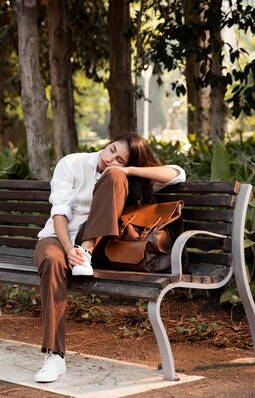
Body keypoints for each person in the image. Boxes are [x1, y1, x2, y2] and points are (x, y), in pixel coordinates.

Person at [33, 132, 186, 383]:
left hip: (100, 246)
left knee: (113, 177)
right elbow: (59, 213)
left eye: (120, 159)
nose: (110, 158)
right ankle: (55, 356)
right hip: (58, 237)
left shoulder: (121, 174)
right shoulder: (71, 163)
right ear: (107, 143)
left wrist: (128, 171)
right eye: (111, 149)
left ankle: (86, 250)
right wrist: (68, 249)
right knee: (51, 260)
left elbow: (177, 173)